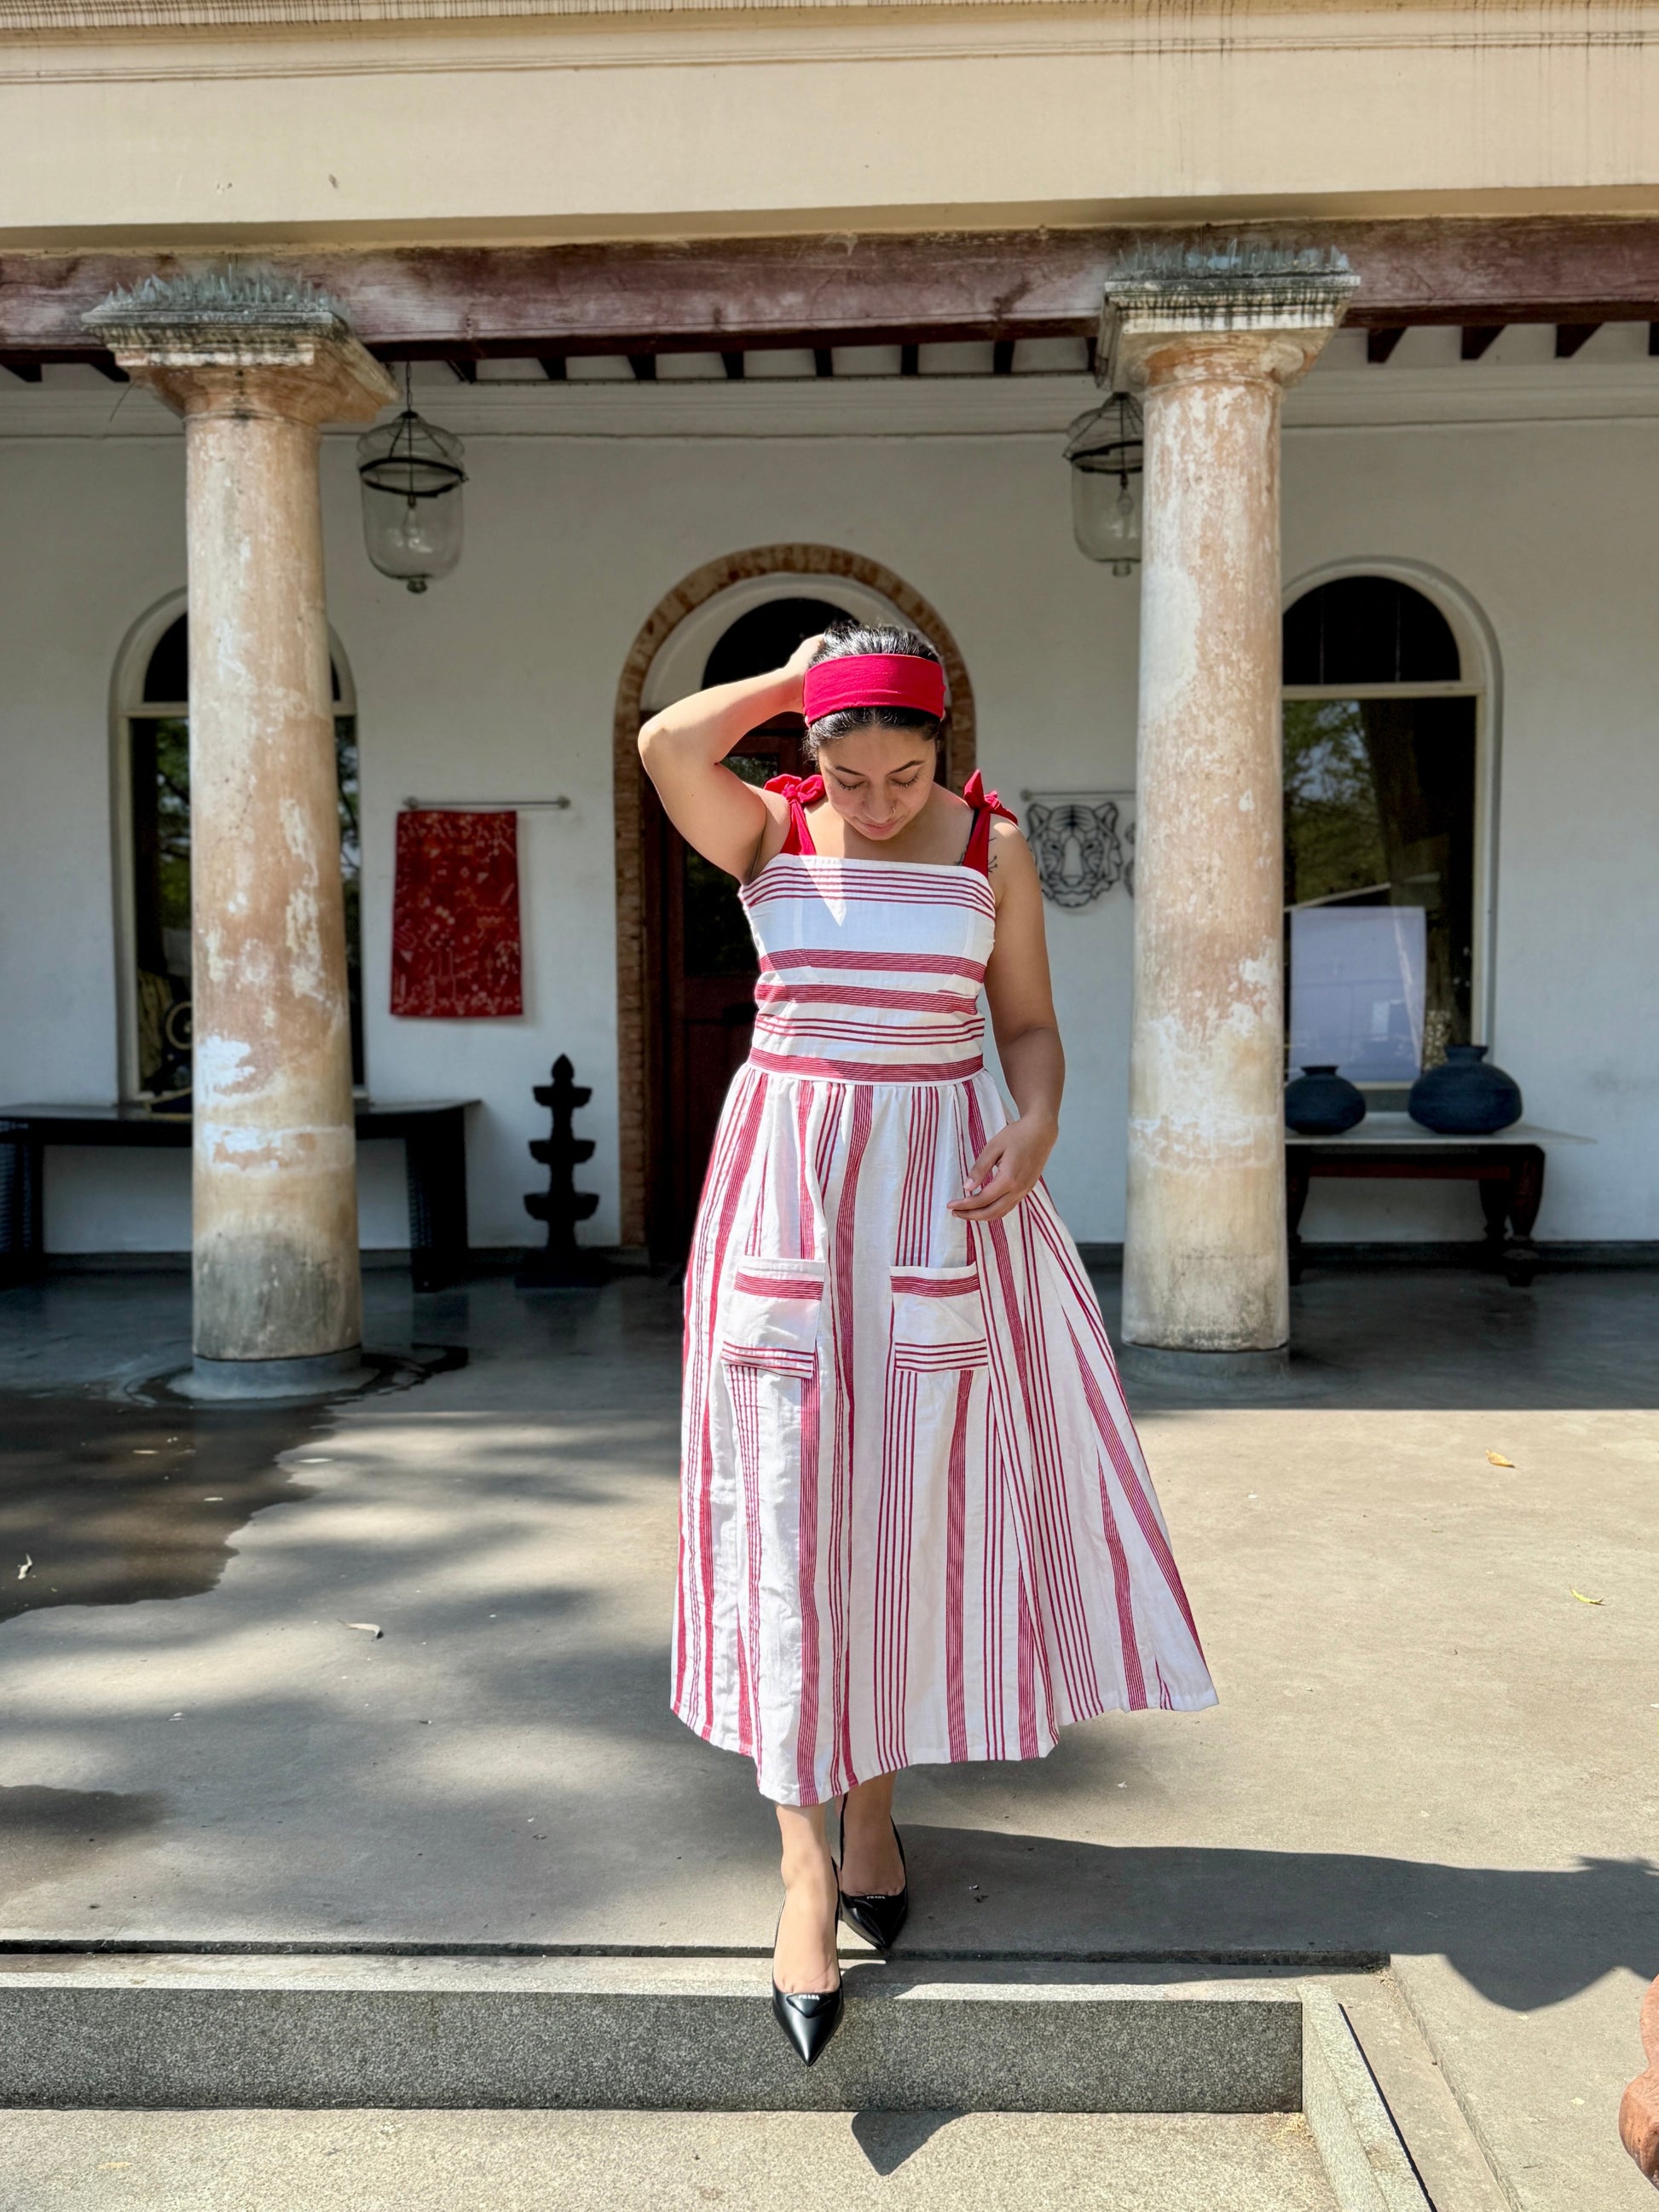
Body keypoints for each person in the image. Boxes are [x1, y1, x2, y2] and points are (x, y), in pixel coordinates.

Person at [639, 622, 1215, 2066]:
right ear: (807, 754)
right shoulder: (765, 830)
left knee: (906, 1515)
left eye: (906, 768)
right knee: (790, 1519)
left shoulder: (990, 849)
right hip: (789, 1192)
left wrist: (1037, 1120)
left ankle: (876, 1820)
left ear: (943, 750)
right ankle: (798, 1872)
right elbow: (662, 744)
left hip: (942, 1206)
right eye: (851, 767)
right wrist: (800, 679)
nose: (880, 798)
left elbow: (1025, 1028)